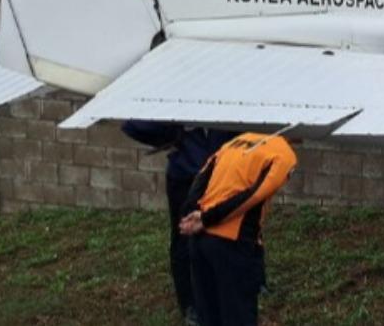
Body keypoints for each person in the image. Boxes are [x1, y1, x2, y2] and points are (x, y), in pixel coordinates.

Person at [121, 122, 236, 325]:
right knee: (184, 239)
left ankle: (224, 292)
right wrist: (175, 135)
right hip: (186, 177)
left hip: (221, 176)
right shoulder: (175, 104)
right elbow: (132, 124)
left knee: (221, 235)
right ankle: (189, 303)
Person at [179, 133, 298, 326]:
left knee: (209, 316)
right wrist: (207, 218)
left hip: (200, 241)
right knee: (239, 316)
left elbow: (202, 175)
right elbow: (253, 196)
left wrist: (190, 211)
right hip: (233, 244)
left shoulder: (237, 141)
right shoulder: (284, 155)